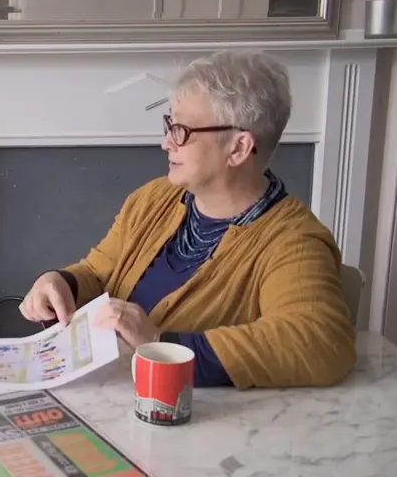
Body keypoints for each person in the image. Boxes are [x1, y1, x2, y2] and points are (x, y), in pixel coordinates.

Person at [19, 50, 356, 390]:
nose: (166, 143)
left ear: (239, 148)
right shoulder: (153, 198)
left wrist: (160, 344)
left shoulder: (294, 241)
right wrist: (61, 283)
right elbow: (97, 272)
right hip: (113, 398)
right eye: (169, 125)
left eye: (181, 130)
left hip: (198, 415)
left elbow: (320, 342)